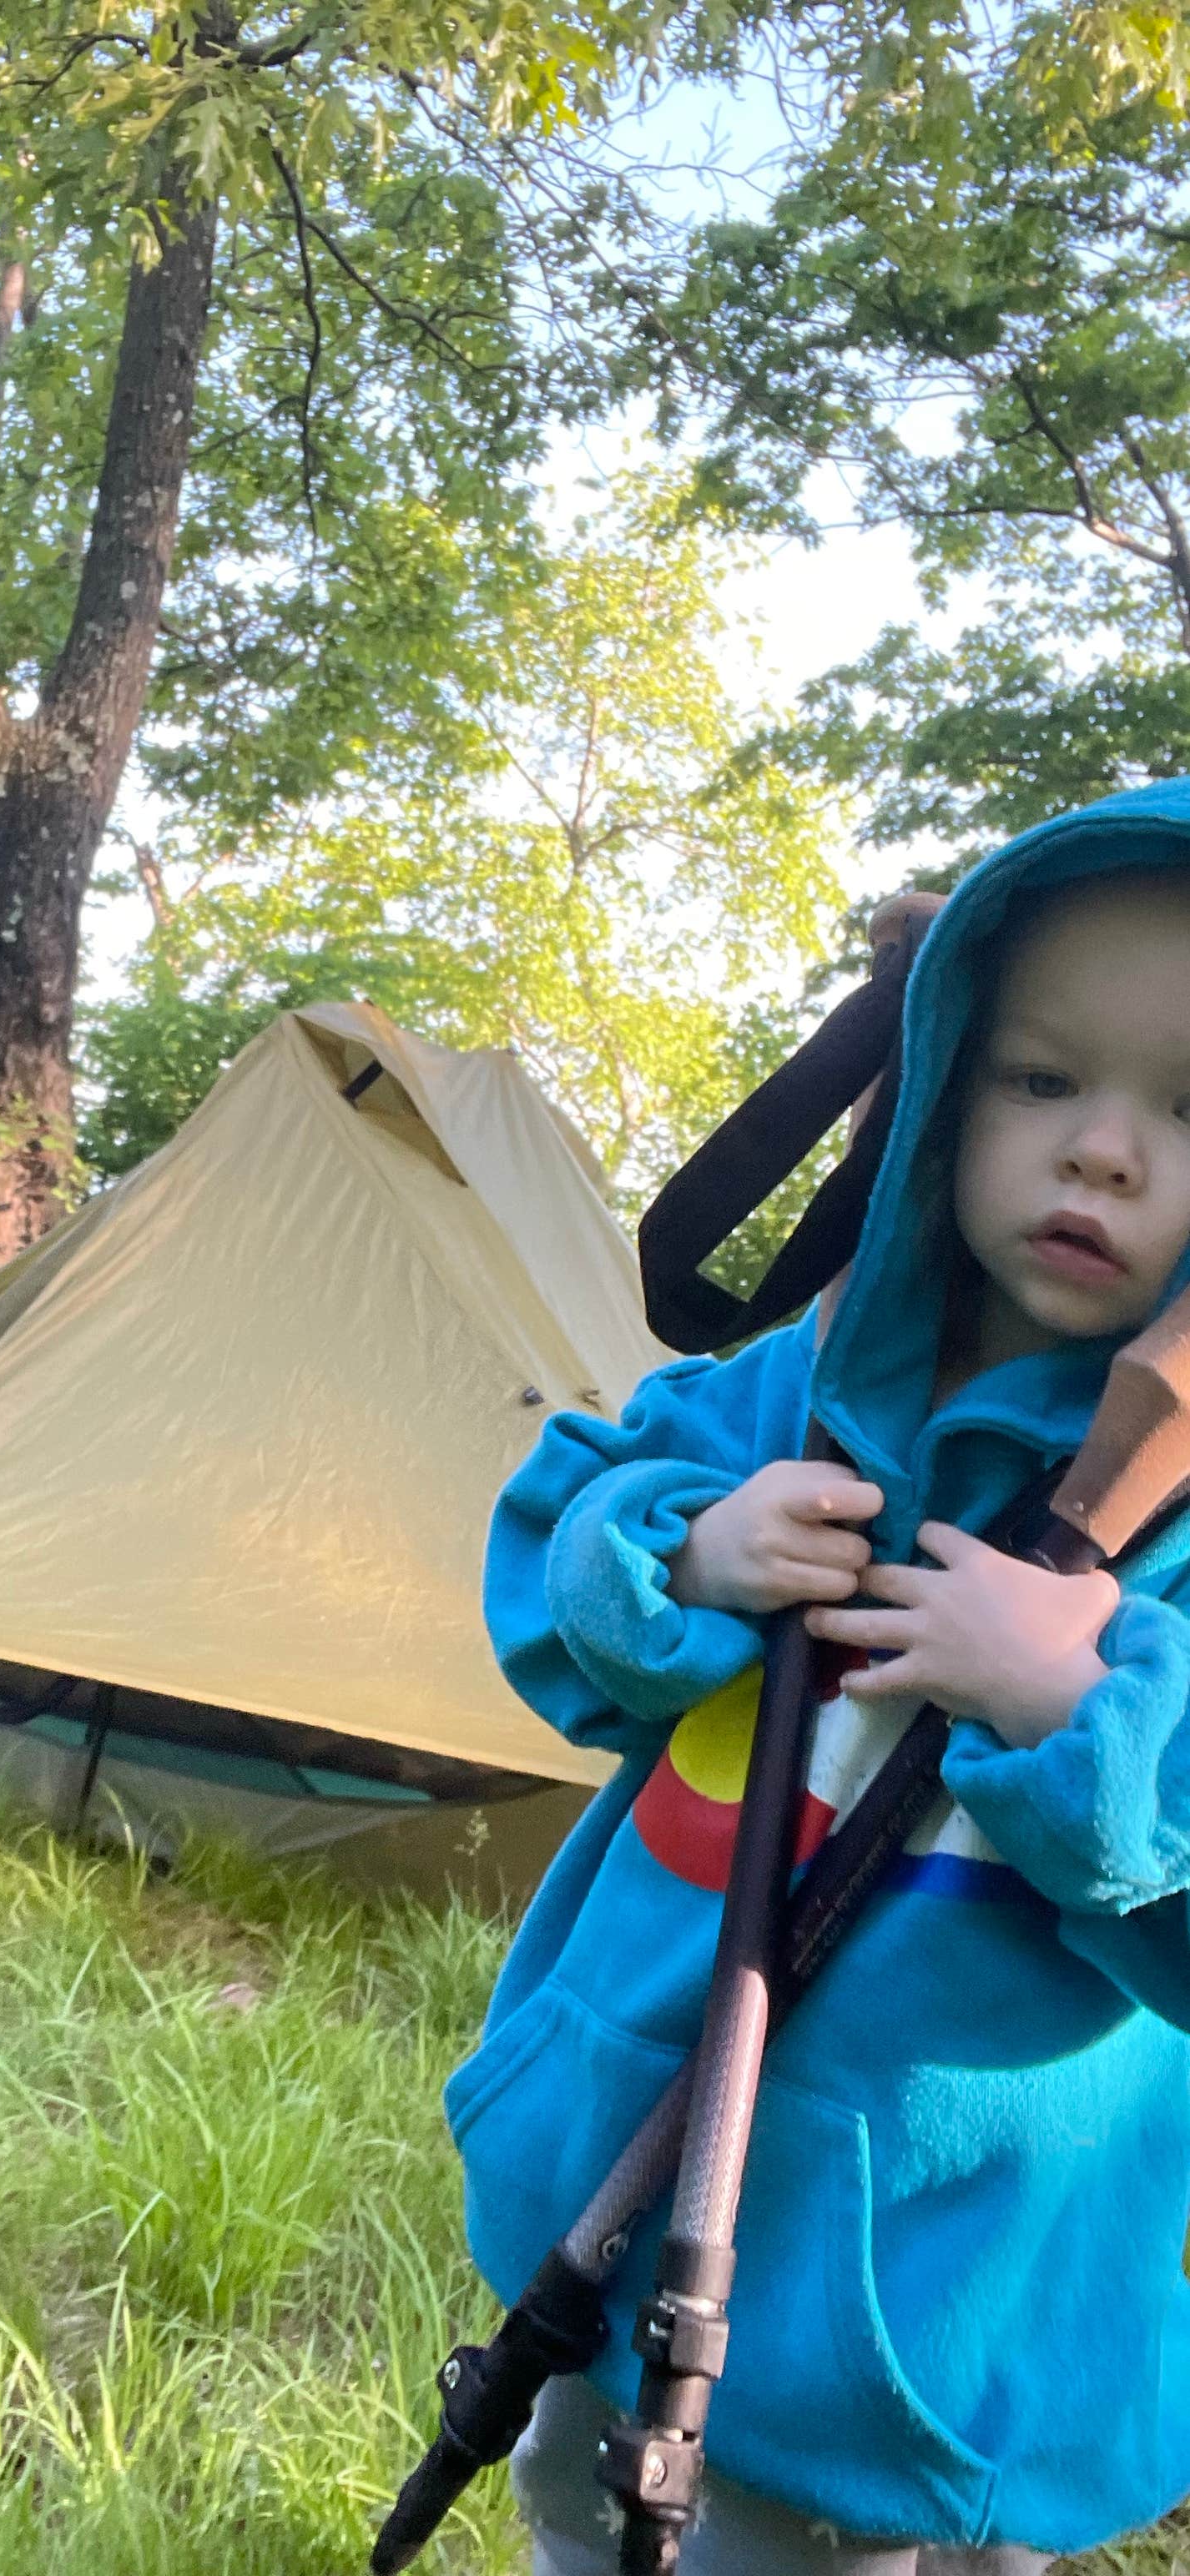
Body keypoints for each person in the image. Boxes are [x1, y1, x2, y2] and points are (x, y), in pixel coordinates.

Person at [451, 791, 1190, 2575]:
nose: (1101, 1150)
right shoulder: (794, 1380)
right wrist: (684, 1552)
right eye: (1040, 1079)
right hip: (625, 2154)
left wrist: (1077, 1701)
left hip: (934, 2291)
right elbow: (559, 1534)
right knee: (578, 2495)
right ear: (940, 1087)